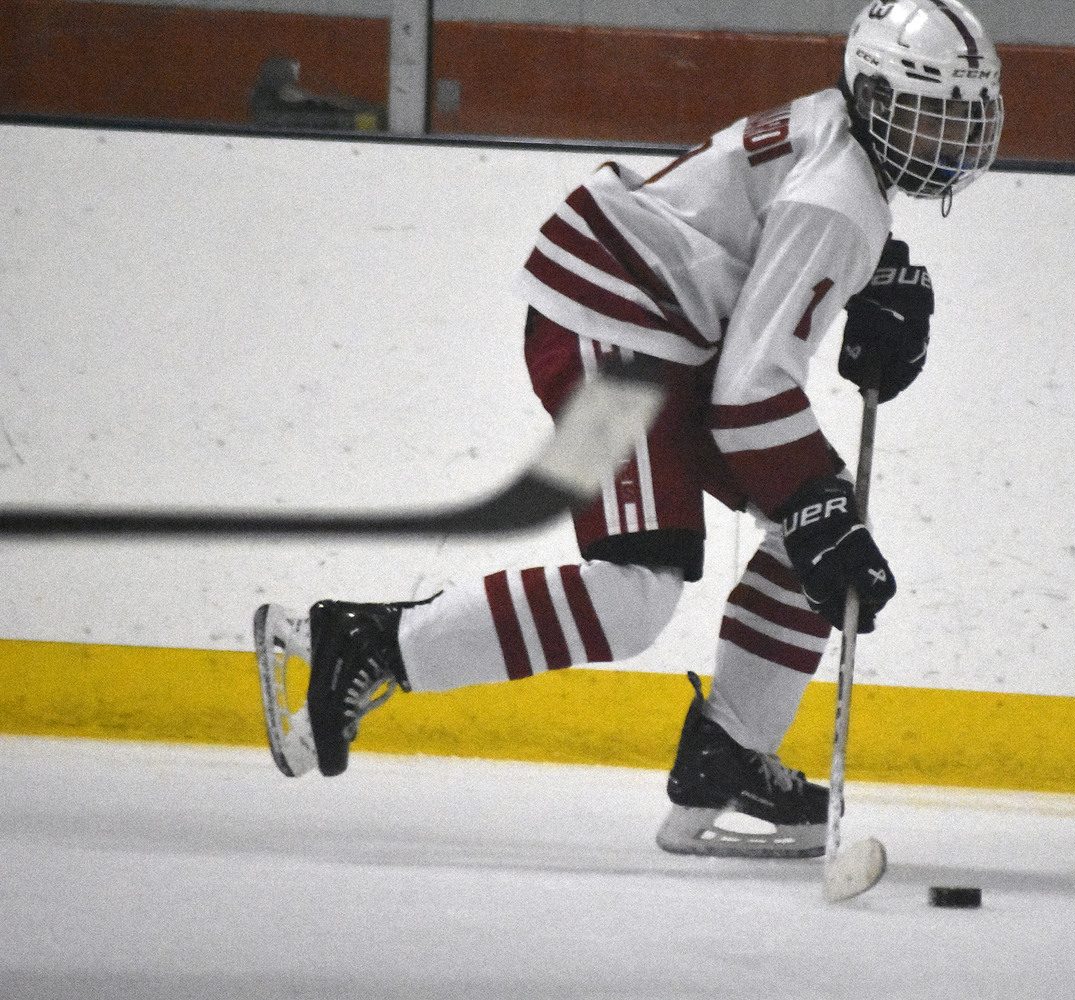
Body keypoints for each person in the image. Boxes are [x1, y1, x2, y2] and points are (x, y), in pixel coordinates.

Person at [264, 0, 1003, 859]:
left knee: (808, 541)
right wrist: (814, 501)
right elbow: (750, 391)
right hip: (614, 329)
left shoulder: (838, 135)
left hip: (641, 325)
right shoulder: (843, 199)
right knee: (641, 591)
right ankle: (366, 643)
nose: (950, 137)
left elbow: (748, 236)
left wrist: (873, 277)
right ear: (874, 93)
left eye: (964, 113)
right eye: (930, 110)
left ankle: (728, 756)